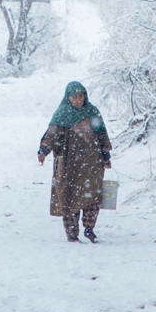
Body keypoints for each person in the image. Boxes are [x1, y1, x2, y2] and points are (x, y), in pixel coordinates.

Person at [37, 80, 112, 243]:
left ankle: (89, 228)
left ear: (85, 96)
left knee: (92, 195)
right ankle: (72, 233)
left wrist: (106, 155)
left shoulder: (92, 112)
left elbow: (101, 133)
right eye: (74, 97)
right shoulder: (62, 114)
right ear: (68, 97)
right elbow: (52, 134)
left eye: (80, 96)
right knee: (69, 196)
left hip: (92, 162)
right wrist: (43, 150)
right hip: (69, 164)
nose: (78, 100)